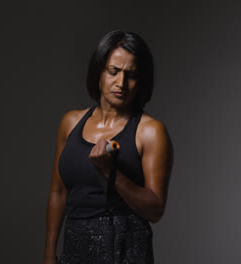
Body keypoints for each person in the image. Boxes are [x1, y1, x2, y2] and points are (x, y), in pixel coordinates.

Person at [43, 30, 173, 264]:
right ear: (99, 72)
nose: (121, 83)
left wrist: (110, 172)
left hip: (126, 250)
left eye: (131, 75)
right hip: (74, 248)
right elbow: (58, 192)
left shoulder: (150, 132)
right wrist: (49, 254)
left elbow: (155, 210)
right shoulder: (70, 123)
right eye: (113, 71)